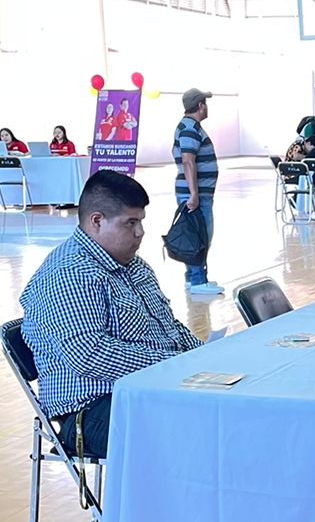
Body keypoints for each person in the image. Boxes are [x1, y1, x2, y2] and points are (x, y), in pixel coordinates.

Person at [19, 170, 200, 459]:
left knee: (226, 409)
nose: (140, 232)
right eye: (130, 223)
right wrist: (175, 365)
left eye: (141, 221)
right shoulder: (69, 274)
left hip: (146, 388)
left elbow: (170, 327)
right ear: (97, 221)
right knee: (201, 428)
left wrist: (204, 357)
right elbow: (89, 354)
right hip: (93, 409)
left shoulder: (134, 266)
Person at [172, 88, 221, 296]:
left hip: (199, 194)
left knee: (197, 234)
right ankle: (197, 280)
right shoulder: (189, 128)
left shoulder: (190, 127)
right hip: (195, 194)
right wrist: (194, 194)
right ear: (200, 106)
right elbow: (188, 161)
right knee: (199, 236)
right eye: (205, 103)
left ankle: (194, 277)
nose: (207, 107)